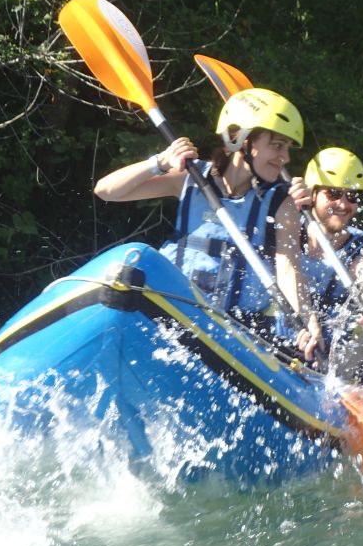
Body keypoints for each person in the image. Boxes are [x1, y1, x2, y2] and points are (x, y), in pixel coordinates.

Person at [94, 88, 322, 360]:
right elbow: (107, 191)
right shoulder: (190, 177)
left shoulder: (282, 201)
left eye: (287, 148)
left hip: (232, 328)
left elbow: (288, 268)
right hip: (170, 309)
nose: (285, 157)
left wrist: (307, 318)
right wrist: (160, 162)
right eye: (277, 145)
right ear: (239, 140)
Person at [288, 147, 363, 377]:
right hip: (281, 344)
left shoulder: (360, 249)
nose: (344, 205)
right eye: (333, 193)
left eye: (351, 196)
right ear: (312, 194)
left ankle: (340, 380)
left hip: (331, 362)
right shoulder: (289, 233)